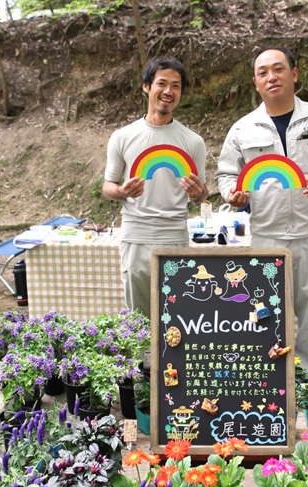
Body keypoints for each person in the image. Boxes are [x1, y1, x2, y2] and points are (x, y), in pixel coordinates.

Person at [215, 46, 308, 373]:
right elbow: (226, 174)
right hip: (267, 235)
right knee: (264, 311)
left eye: (278, 69)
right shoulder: (242, 129)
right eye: (262, 72)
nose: (271, 77)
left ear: (294, 74)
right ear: (255, 82)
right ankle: (270, 378)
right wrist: (232, 193)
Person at [103, 56, 208, 318]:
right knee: (138, 316)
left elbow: (202, 195)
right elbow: (108, 186)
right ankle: (141, 349)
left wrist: (198, 194)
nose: (168, 91)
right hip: (135, 234)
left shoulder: (193, 141)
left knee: (178, 314)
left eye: (176, 86)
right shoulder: (122, 137)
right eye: (162, 83)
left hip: (174, 235)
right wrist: (123, 192)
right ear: (146, 86)